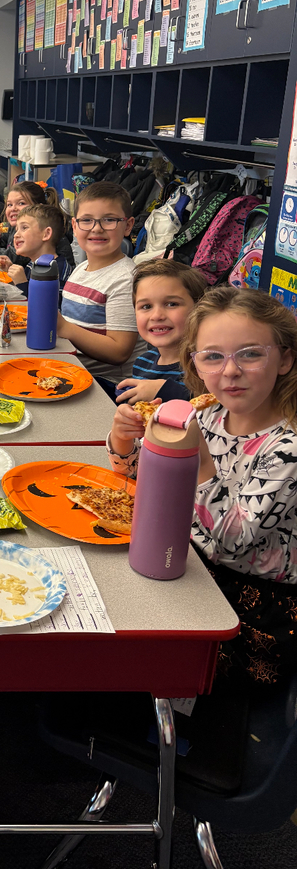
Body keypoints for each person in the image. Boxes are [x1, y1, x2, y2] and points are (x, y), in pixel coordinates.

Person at [108, 287, 297, 688]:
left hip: (251, 609)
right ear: (194, 362)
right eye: (212, 356)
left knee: (122, 659)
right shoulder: (208, 413)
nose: (230, 371)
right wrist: (124, 441)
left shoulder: (288, 448)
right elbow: (145, 482)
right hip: (182, 563)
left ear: (285, 358)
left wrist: (198, 461)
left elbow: (233, 541)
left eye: (250, 354)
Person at [56, 182, 145, 390]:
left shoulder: (125, 279)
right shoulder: (81, 268)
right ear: (74, 226)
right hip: (75, 370)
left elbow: (119, 352)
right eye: (87, 220)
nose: (97, 228)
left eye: (109, 220)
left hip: (110, 386)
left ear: (128, 226)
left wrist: (64, 328)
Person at [115, 259, 207, 405]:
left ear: (199, 309)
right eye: (146, 306)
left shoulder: (205, 367)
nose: (157, 316)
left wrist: (165, 391)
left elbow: (215, 407)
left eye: (171, 304)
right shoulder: (142, 362)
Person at [0, 180, 75, 273]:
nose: (13, 208)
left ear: (39, 208)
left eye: (21, 203)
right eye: (9, 204)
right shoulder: (13, 227)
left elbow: (15, 256)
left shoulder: (53, 264)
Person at [0, 203, 71, 293]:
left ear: (46, 234)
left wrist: (22, 283)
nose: (16, 235)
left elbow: (49, 301)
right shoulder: (32, 264)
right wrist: (11, 270)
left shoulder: (58, 270)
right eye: (17, 230)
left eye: (24, 228)